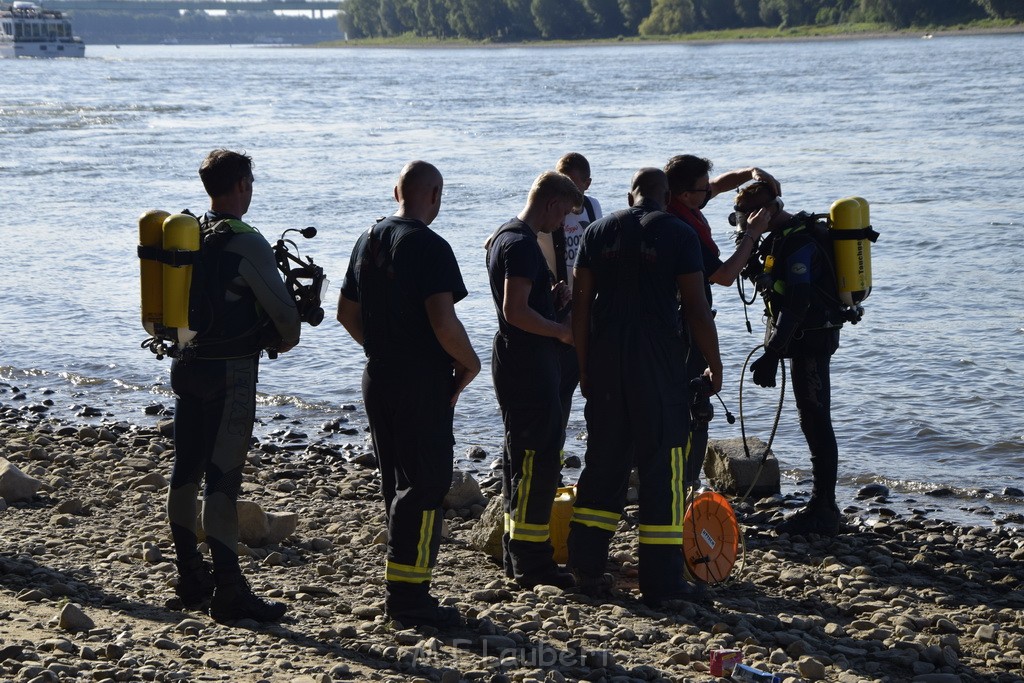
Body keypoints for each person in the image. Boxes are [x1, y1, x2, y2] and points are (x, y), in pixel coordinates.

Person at [566, 168, 724, 608]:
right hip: (657, 362)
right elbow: (695, 307)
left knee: (603, 463)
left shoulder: (597, 231)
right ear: (667, 195)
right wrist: (714, 364)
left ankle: (588, 567)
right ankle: (661, 581)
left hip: (606, 359)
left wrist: (583, 366)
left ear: (628, 195)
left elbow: (581, 305)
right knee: (664, 468)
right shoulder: (678, 233)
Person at [337, 160, 481, 628]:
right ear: (435, 195)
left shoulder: (368, 238)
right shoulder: (429, 245)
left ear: (395, 189)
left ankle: (402, 588)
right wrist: (471, 362)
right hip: (420, 379)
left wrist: (384, 347)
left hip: (379, 375)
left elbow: (345, 314)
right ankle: (409, 598)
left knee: (397, 484)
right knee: (427, 483)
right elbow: (443, 320)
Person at [167, 149, 300, 624]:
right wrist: (287, 337)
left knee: (185, 472)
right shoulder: (247, 241)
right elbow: (286, 317)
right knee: (222, 479)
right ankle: (229, 590)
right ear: (242, 184)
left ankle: (189, 577)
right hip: (231, 377)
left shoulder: (191, 233)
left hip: (185, 368)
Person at [486, 171, 583, 590]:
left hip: (514, 359)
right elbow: (515, 311)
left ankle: (516, 553)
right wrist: (562, 330)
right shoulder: (523, 244)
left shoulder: (502, 237)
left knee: (517, 458)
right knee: (538, 460)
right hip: (528, 363)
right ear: (550, 203)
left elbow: (526, 303)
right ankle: (533, 561)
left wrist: (552, 298)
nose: (562, 223)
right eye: (563, 212)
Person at [734, 180, 846, 537]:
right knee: (810, 415)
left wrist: (772, 353)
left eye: (746, 215)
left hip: (812, 338)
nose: (742, 221)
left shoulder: (798, 241)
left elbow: (797, 301)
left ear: (764, 211)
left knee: (814, 416)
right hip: (801, 337)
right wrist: (746, 239)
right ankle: (823, 503)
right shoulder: (778, 238)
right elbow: (767, 282)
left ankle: (824, 507)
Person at [663, 155, 780, 491]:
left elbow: (720, 183)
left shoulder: (677, 200)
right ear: (685, 195)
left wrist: (751, 172)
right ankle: (684, 484)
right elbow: (725, 275)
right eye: (703, 189)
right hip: (686, 325)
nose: (709, 192)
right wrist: (753, 234)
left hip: (670, 325)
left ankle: (670, 478)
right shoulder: (682, 228)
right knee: (695, 403)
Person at [535, 152, 604, 462]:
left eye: (575, 186)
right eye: (563, 184)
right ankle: (552, 455)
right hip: (558, 308)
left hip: (589, 306)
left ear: (587, 184)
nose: (570, 194)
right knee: (558, 388)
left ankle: (597, 455)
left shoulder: (592, 208)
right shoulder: (547, 211)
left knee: (593, 383)